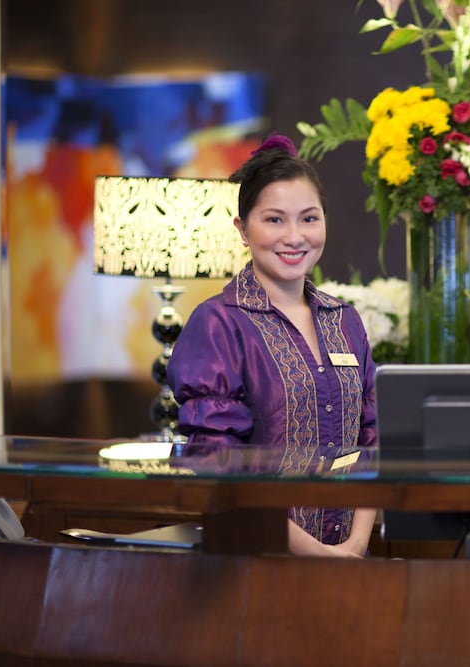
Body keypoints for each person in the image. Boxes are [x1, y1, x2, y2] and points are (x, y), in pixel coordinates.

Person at [167, 134, 377, 558]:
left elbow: (371, 441)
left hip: (351, 561)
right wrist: (322, 556)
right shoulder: (217, 324)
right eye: (275, 220)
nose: (295, 237)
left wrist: (354, 548)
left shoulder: (345, 320)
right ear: (243, 230)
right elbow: (219, 468)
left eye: (309, 218)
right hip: (256, 564)